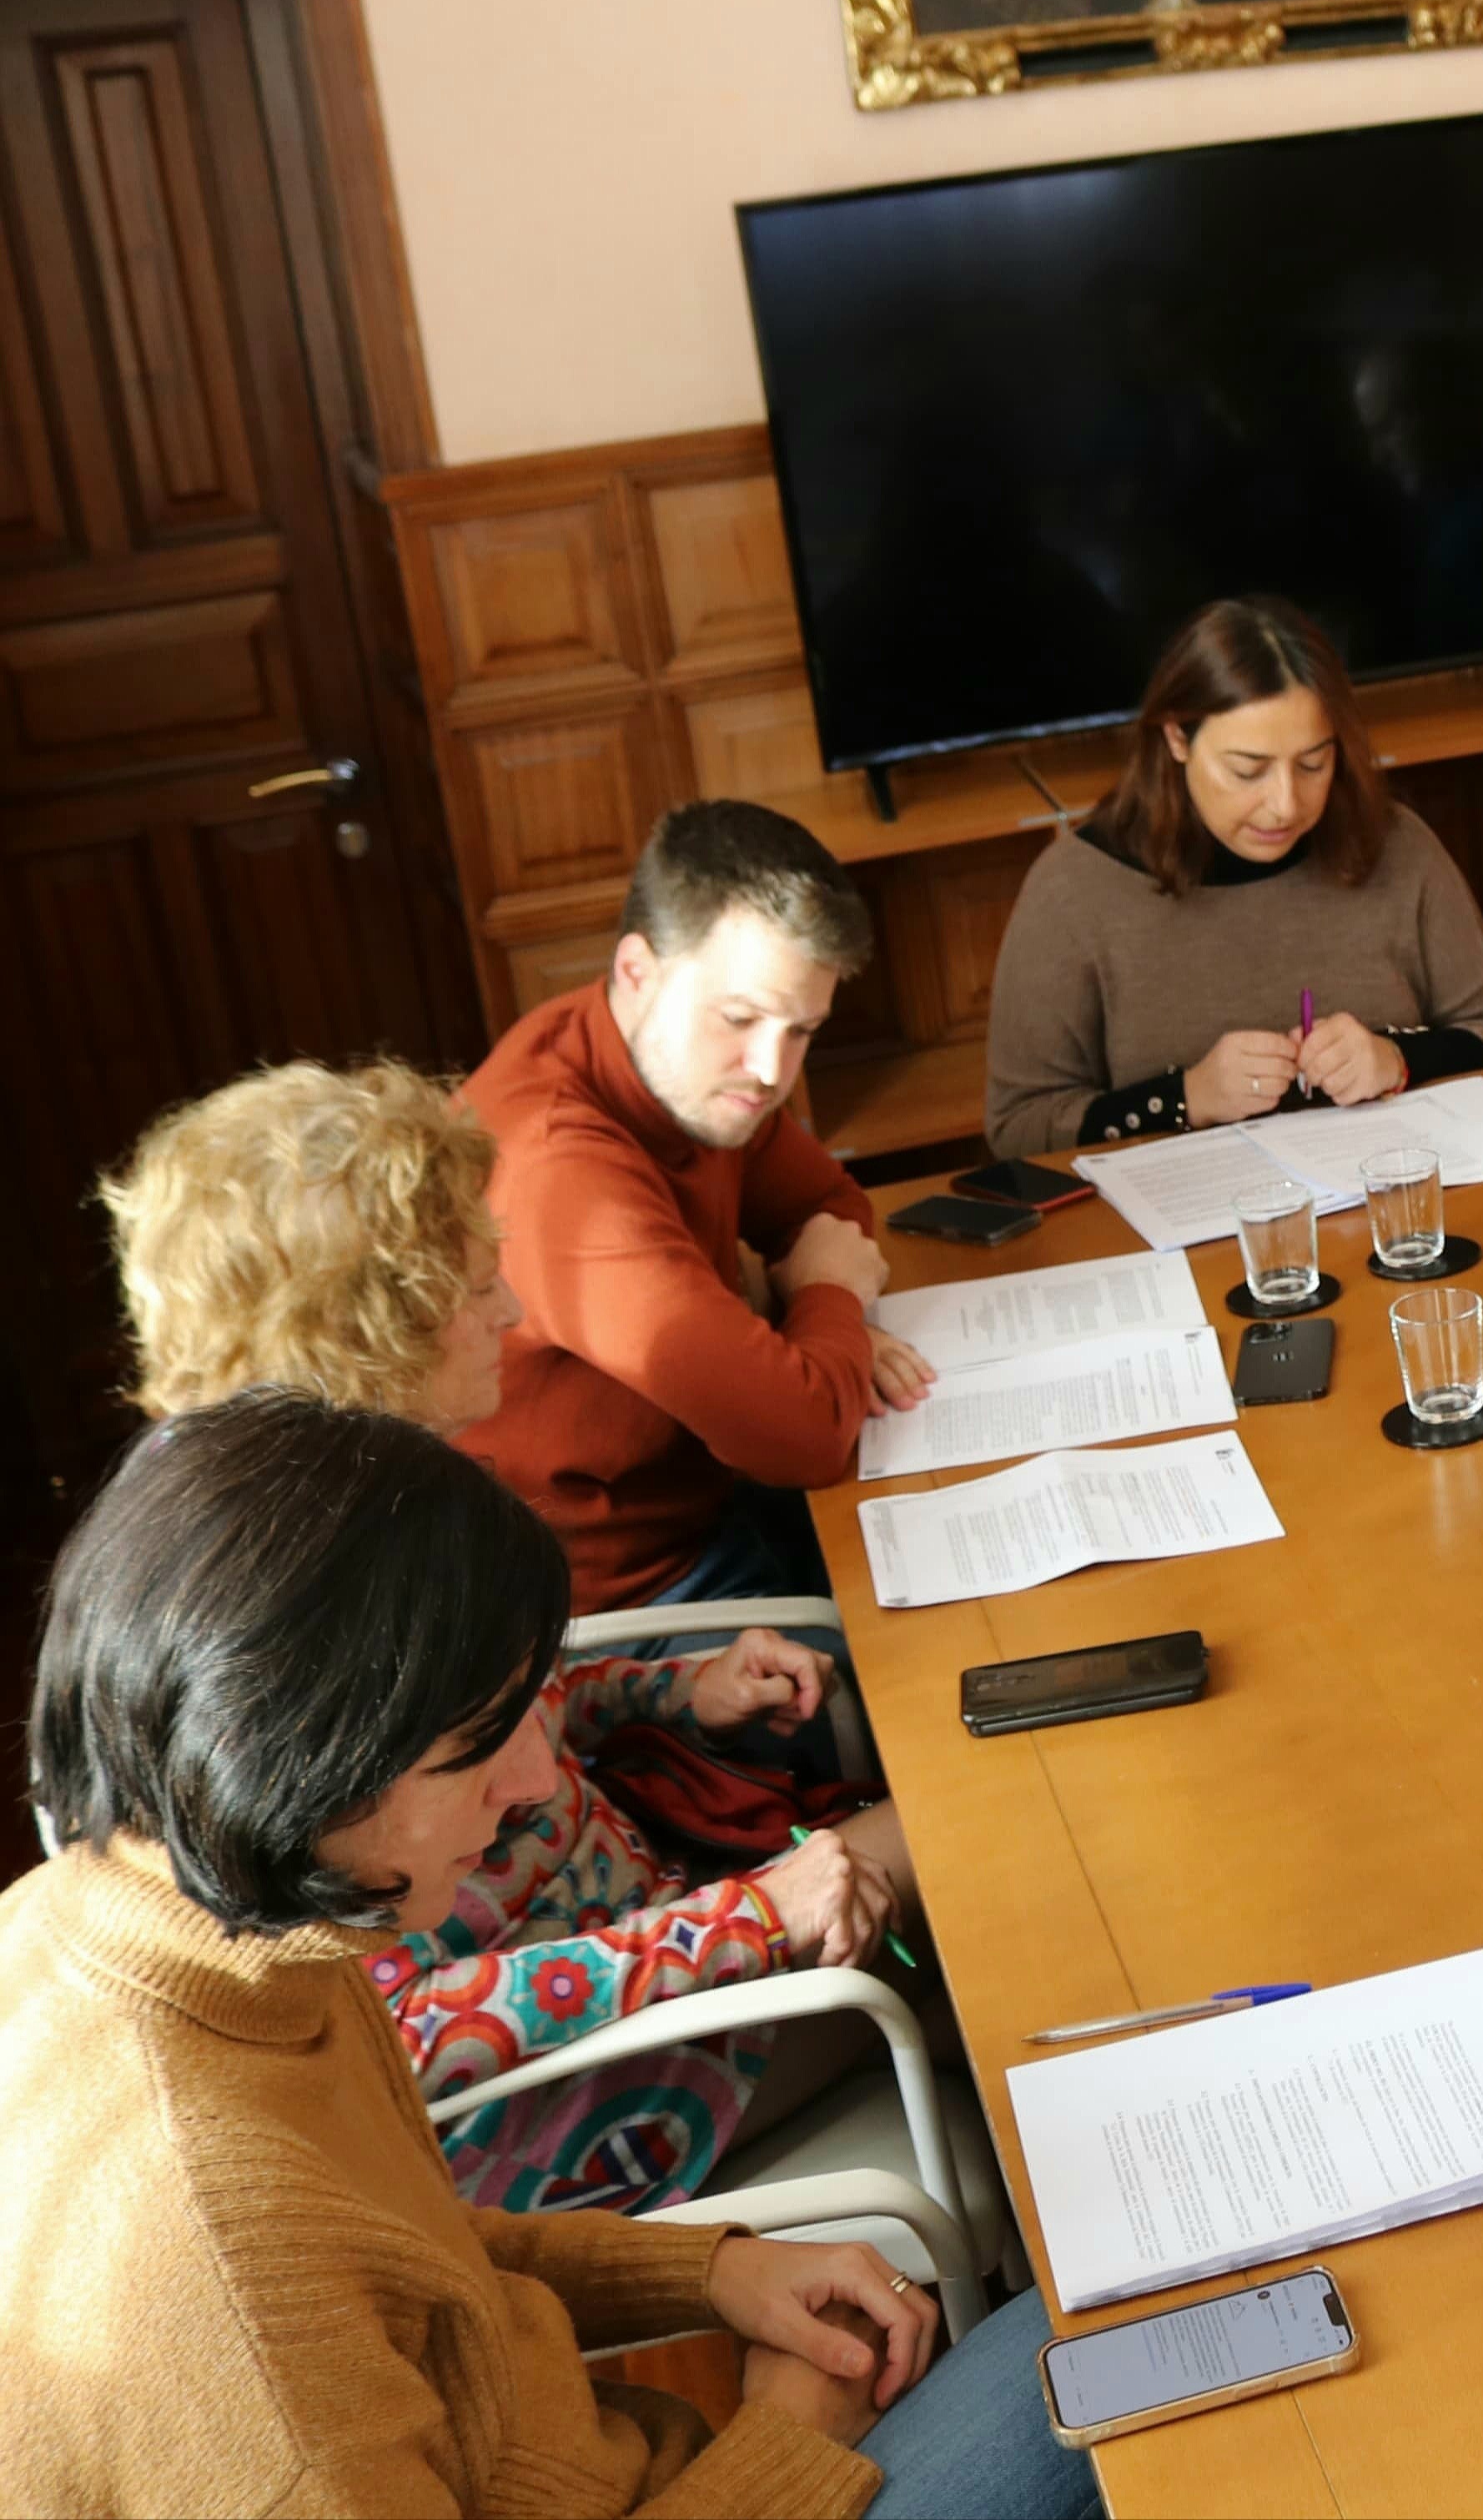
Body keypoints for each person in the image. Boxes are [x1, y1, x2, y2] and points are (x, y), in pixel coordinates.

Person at [0, 1389, 1100, 2519]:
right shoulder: (228, 2303)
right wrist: (787, 2447)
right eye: (475, 1749)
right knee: (1130, 2340)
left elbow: (417, 2262)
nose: (533, 1783)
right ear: (294, 1761)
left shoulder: (187, 1918)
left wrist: (710, 2271)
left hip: (647, 2465)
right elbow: (311, 2277)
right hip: (727, 2485)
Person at [98, 1059, 917, 2215]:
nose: (516, 1313)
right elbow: (391, 2030)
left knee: (964, 1818)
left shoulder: (337, 1508)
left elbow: (488, 1726)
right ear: (374, 1334)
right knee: (985, 1872)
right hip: (564, 2084)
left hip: (646, 1911)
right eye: (482, 1287)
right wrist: (749, 1918)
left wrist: (671, 1691)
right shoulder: (273, 1632)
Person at [456, 800, 933, 1622]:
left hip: (717, 1495)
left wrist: (819, 1336)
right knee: (947, 1674)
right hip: (624, 1603)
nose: (771, 1070)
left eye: (802, 1030)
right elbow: (803, 1438)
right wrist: (831, 1307)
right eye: (741, 1017)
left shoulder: (680, 1067)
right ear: (637, 969)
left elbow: (829, 1209)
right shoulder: (559, 1171)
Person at [980, 594, 1483, 1159]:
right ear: (1177, 738)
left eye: (1313, 764)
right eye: (1248, 771)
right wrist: (1186, 1098)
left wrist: (1397, 1061)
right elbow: (1019, 1128)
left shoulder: (1395, 844)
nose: (1285, 805)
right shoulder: (1074, 889)